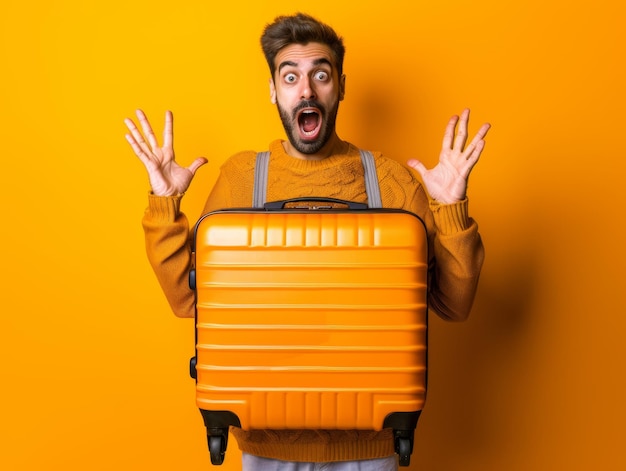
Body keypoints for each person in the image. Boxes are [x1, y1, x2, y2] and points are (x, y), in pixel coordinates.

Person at [125, 12, 490, 471]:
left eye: (320, 74)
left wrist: (451, 208)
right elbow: (187, 300)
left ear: (340, 85)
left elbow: (454, 304)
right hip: (265, 446)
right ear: (274, 91)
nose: (306, 90)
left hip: (371, 446)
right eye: (291, 76)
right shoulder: (240, 180)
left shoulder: (392, 181)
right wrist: (164, 203)